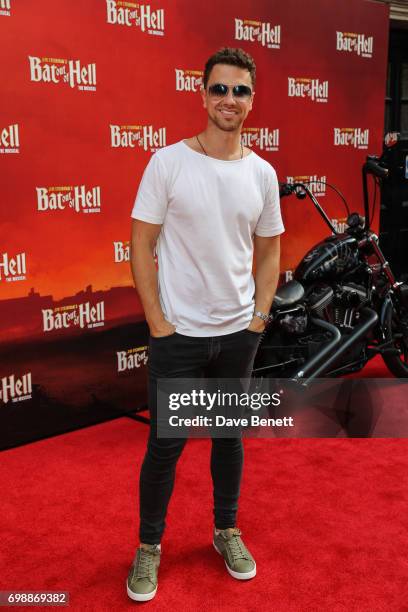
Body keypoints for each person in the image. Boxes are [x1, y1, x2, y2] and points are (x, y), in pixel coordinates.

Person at [127, 47, 284, 602]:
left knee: (229, 439)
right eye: (220, 89)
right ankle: (149, 546)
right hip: (179, 337)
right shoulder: (168, 162)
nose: (229, 100)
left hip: (238, 335)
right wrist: (157, 321)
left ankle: (226, 531)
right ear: (202, 94)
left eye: (240, 91)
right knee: (165, 447)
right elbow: (141, 243)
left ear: (252, 102)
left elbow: (269, 253)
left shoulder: (262, 173)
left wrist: (258, 320)